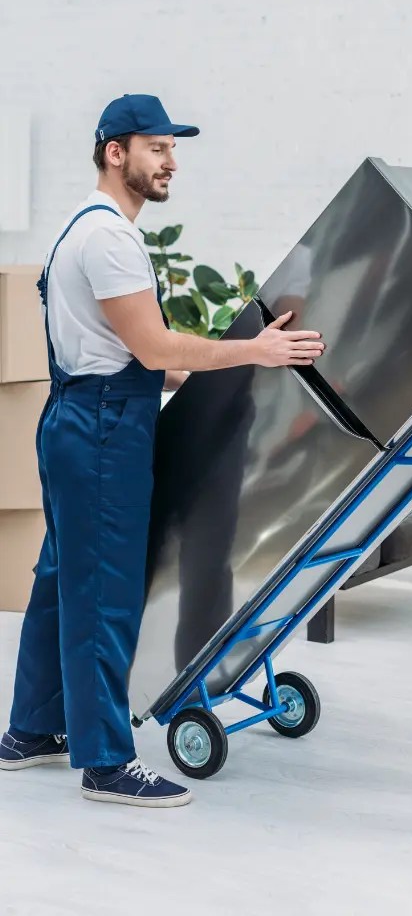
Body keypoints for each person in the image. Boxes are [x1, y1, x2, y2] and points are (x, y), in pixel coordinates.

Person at [0, 94, 325, 809]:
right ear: (115, 152)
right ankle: (106, 763)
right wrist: (257, 349)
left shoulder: (87, 230)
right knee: (104, 593)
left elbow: (139, 356)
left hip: (84, 416)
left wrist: (239, 363)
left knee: (62, 579)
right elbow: (153, 346)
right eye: (155, 147)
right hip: (104, 430)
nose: (170, 160)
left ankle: (30, 731)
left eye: (173, 148)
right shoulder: (110, 239)